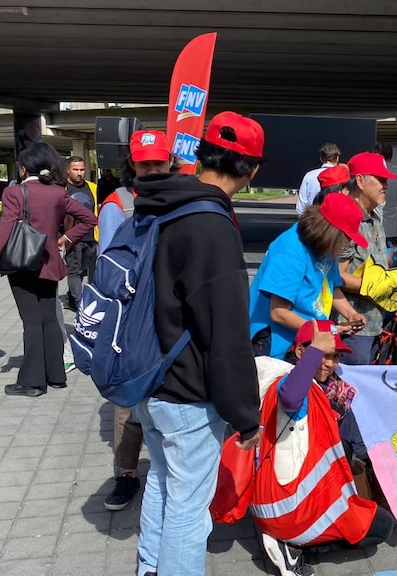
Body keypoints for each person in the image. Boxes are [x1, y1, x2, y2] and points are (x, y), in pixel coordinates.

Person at [130, 111, 263, 576]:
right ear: (252, 170)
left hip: (146, 376)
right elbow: (225, 333)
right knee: (189, 508)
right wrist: (246, 415)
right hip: (186, 391)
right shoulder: (211, 224)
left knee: (163, 487)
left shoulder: (157, 203)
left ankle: (148, 568)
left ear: (201, 154)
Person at [250, 319, 394, 564]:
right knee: (382, 526)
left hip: (269, 499)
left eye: (335, 356)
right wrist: (314, 350)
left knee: (346, 449)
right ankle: (296, 549)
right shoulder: (294, 385)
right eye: (323, 355)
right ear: (300, 352)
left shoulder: (292, 379)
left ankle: (294, 539)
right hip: (289, 507)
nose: (330, 363)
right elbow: (290, 398)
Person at [0, 143, 96, 397]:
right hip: (50, 262)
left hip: (22, 263)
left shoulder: (14, 192)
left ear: (23, 170)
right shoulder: (58, 192)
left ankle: (32, 381)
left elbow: (4, 232)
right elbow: (89, 219)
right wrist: (65, 239)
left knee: (31, 321)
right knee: (49, 319)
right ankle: (56, 375)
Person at [99, 129, 173, 512]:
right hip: (130, 324)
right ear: (132, 165)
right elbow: (108, 270)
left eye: (159, 162)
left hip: (172, 322)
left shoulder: (181, 200)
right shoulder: (117, 205)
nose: (153, 169)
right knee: (127, 407)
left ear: (171, 161)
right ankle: (126, 474)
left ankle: (169, 473)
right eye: (145, 164)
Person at [249, 192, 368, 359]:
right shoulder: (291, 250)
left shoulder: (323, 245)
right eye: (346, 237)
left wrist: (351, 314)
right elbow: (278, 313)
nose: (348, 243)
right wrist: (325, 330)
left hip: (307, 338)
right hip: (277, 344)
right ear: (331, 232)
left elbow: (329, 286)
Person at [335, 152, 397, 365]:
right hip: (353, 329)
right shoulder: (347, 218)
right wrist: (379, 286)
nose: (386, 185)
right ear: (361, 181)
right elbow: (335, 276)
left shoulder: (374, 219)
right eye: (380, 179)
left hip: (374, 324)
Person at [64, 155, 98, 311]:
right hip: (72, 238)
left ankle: (72, 298)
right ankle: (80, 305)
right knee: (74, 271)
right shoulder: (62, 189)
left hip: (91, 237)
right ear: (68, 170)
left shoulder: (92, 187)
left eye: (82, 169)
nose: (79, 173)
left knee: (83, 270)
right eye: (75, 169)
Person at [295, 143, 340, 215]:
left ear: (321, 158)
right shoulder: (342, 176)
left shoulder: (309, 176)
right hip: (336, 220)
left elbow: (301, 207)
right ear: (337, 158)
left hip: (313, 220)